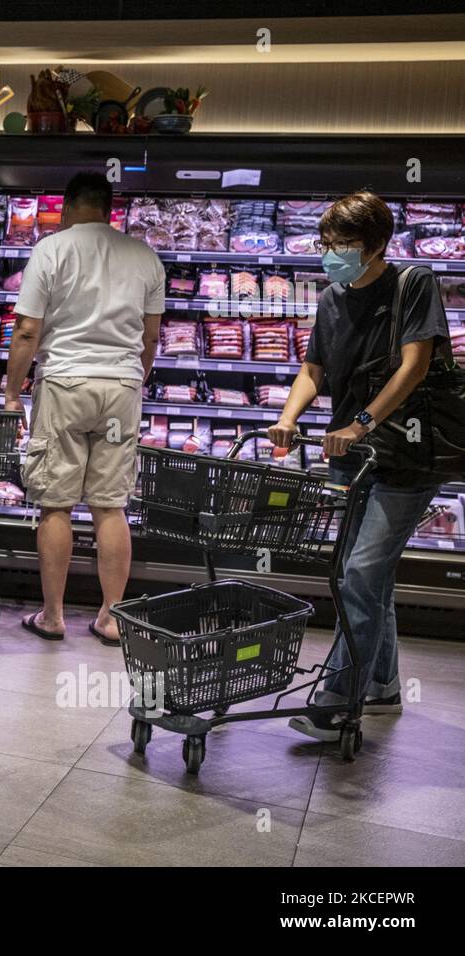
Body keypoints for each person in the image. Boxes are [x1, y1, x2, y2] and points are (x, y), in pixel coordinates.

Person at [268, 191, 449, 742]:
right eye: (326, 244)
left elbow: (415, 367)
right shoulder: (331, 298)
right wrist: (289, 417)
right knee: (366, 576)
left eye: (343, 245)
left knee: (359, 575)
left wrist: (360, 423)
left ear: (376, 246)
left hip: (408, 454)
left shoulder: (412, 284)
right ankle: (385, 686)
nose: (331, 255)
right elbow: (312, 369)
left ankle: (338, 701)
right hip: (352, 460)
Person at [3, 171, 164, 646]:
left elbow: (29, 331)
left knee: (56, 504)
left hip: (65, 383)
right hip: (121, 385)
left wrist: (13, 393)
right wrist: (135, 378)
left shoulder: (51, 250)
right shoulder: (144, 256)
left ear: (70, 208)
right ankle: (111, 618)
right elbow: (151, 337)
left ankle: (53, 616)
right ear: (110, 209)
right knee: (110, 506)